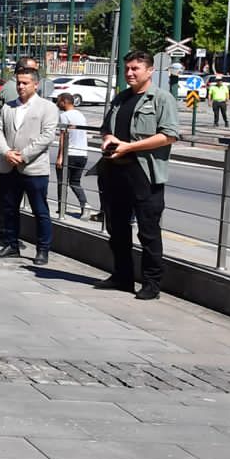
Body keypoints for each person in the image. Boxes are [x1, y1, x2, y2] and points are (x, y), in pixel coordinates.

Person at [96, 49, 182, 300]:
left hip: (144, 173)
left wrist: (130, 147)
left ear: (150, 70)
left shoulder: (161, 99)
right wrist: (108, 138)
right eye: (127, 68)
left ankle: (152, 283)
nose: (130, 73)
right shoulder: (120, 98)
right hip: (115, 171)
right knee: (117, 227)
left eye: (135, 68)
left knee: (148, 230)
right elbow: (106, 129)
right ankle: (122, 276)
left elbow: (169, 135)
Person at [0, 66, 58, 264]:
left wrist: (24, 155)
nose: (20, 86)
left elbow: (47, 136)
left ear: (35, 85)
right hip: (9, 165)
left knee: (40, 210)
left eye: (25, 83)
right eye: (18, 82)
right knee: (9, 207)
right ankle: (11, 244)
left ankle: (43, 249)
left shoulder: (47, 107)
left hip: (33, 168)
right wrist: (6, 152)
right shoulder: (8, 107)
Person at [56, 91, 93, 219]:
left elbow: (63, 137)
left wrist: (60, 157)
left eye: (59, 101)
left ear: (65, 102)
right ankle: (85, 205)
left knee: (62, 182)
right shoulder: (80, 115)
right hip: (82, 154)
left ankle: (61, 209)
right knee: (75, 182)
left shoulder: (64, 116)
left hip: (70, 154)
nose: (57, 104)